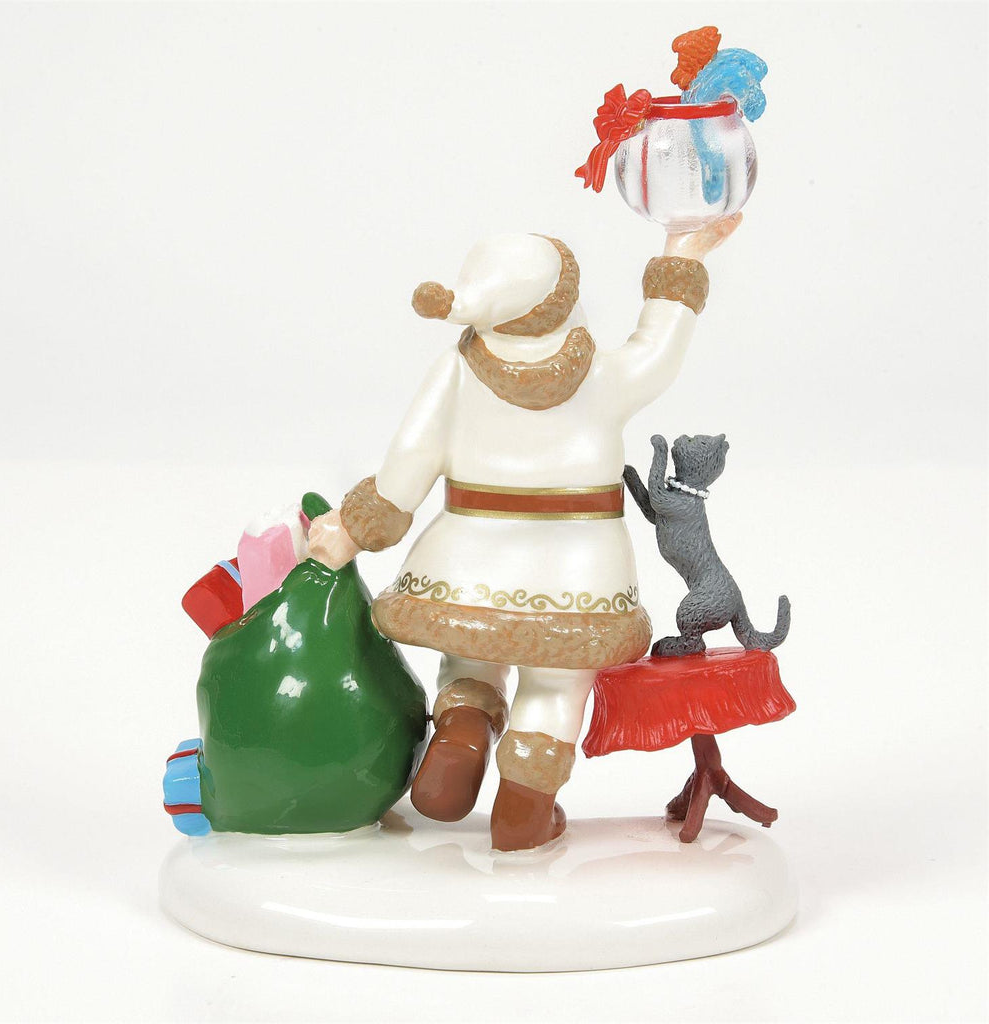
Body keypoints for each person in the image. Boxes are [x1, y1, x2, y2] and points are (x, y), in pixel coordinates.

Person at [308, 218, 739, 850]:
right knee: (556, 683)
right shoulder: (604, 376)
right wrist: (682, 254)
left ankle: (463, 726)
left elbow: (409, 462)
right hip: (578, 568)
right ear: (562, 303)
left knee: (470, 658)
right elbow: (659, 346)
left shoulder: (454, 371)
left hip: (466, 554)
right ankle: (524, 811)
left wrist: (353, 529)